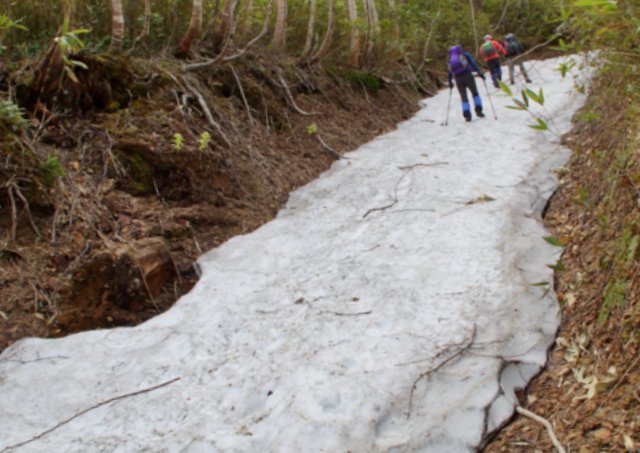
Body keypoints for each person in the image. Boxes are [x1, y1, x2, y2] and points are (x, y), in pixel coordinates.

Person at [447, 45, 486, 122]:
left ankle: (467, 116)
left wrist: (450, 82)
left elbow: (449, 72)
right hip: (468, 76)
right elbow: (472, 63)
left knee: (464, 97)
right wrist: (479, 72)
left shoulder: (450, 59)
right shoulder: (465, 54)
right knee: (475, 93)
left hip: (458, 79)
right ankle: (479, 111)